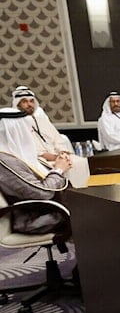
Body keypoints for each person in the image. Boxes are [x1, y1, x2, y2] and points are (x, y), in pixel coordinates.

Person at [0, 107, 71, 235]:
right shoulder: (5, 161)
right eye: (27, 128)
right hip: (38, 218)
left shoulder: (13, 153)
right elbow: (42, 193)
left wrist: (55, 165)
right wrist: (59, 170)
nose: (30, 132)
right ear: (16, 131)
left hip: (49, 210)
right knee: (98, 211)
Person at [12, 86, 90, 187]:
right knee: (65, 165)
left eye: (31, 101)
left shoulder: (42, 121)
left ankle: (81, 190)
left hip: (57, 155)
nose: (29, 104)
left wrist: (62, 153)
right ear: (18, 104)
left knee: (80, 162)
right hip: (39, 160)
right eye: (25, 102)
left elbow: (58, 139)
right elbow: (29, 150)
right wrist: (54, 157)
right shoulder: (16, 125)